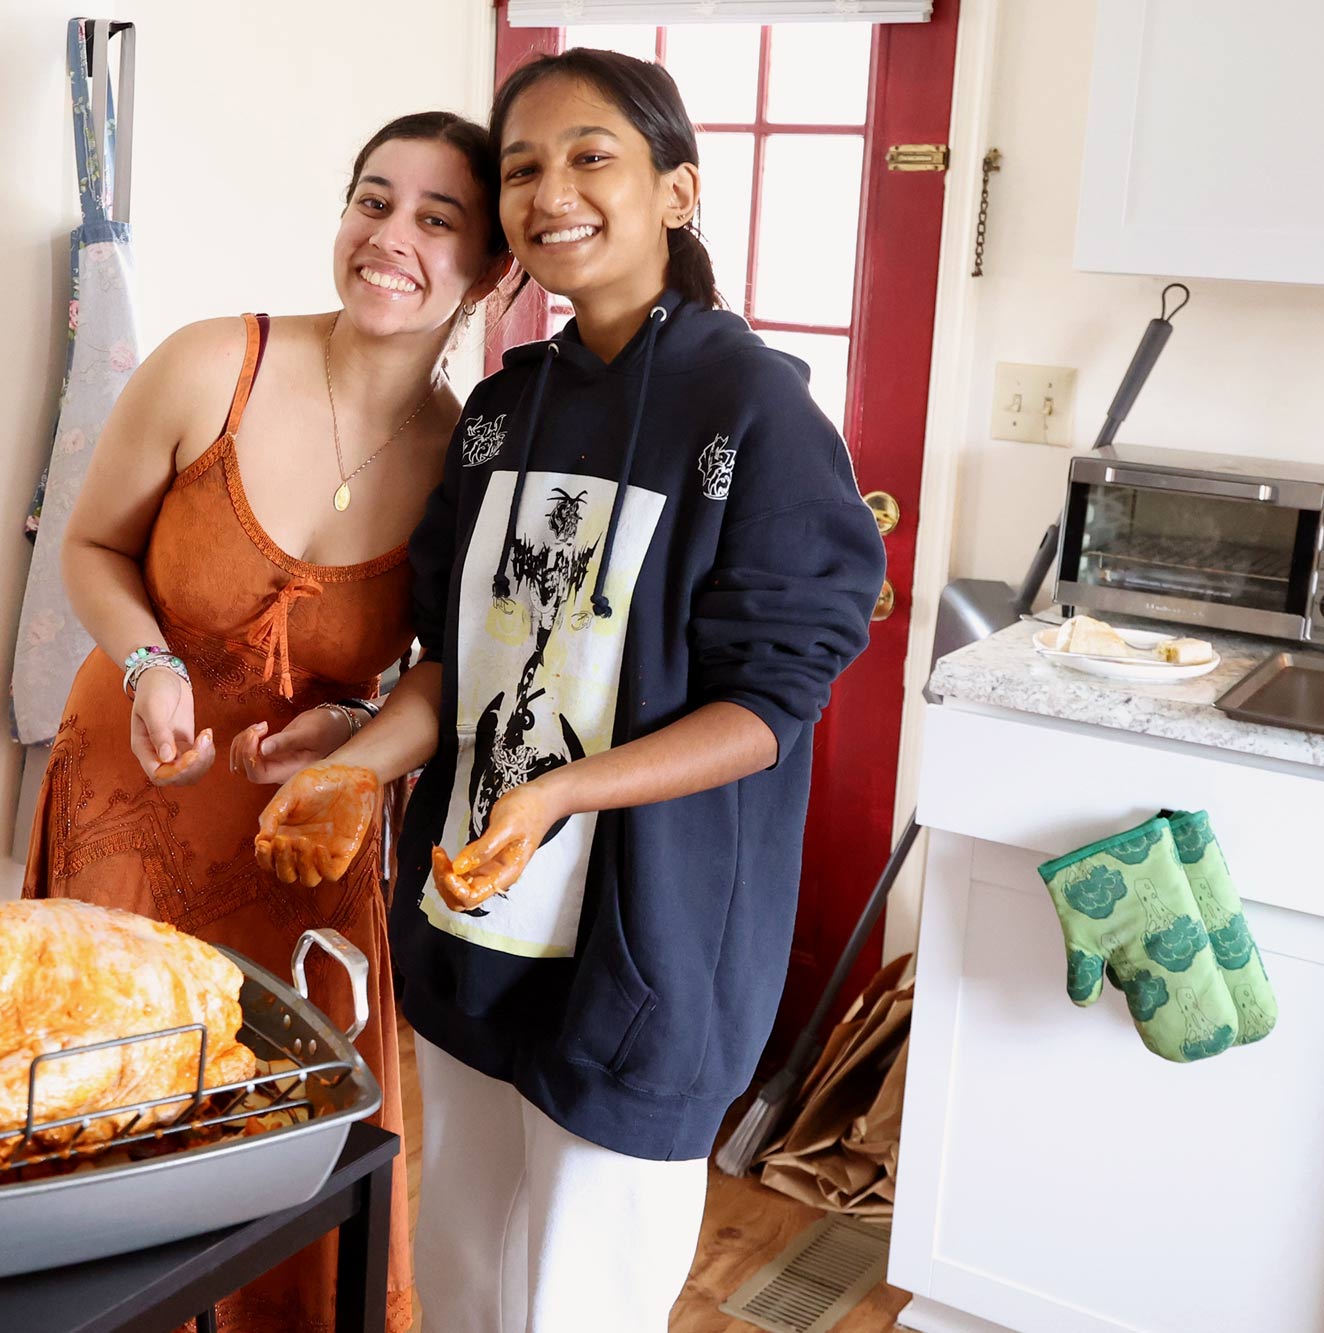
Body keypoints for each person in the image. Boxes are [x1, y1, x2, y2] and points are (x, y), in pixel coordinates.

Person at [256, 49, 886, 1332]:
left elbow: (767, 710)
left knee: (574, 1303)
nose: (551, 191)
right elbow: (454, 658)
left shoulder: (755, 411)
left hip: (646, 944)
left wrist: (557, 794)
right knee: (470, 1278)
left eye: (590, 154)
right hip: (477, 918)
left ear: (675, 191)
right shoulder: (501, 409)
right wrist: (356, 763)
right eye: (524, 167)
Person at [24, 110, 512, 1333]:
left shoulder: (467, 460)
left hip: (305, 832)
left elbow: (427, 669)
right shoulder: (212, 364)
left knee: (283, 1142)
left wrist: (347, 728)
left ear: (491, 271)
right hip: (131, 796)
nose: (389, 237)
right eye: (372, 199)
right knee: (105, 1109)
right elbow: (87, 548)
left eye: (436, 220)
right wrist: (144, 660)